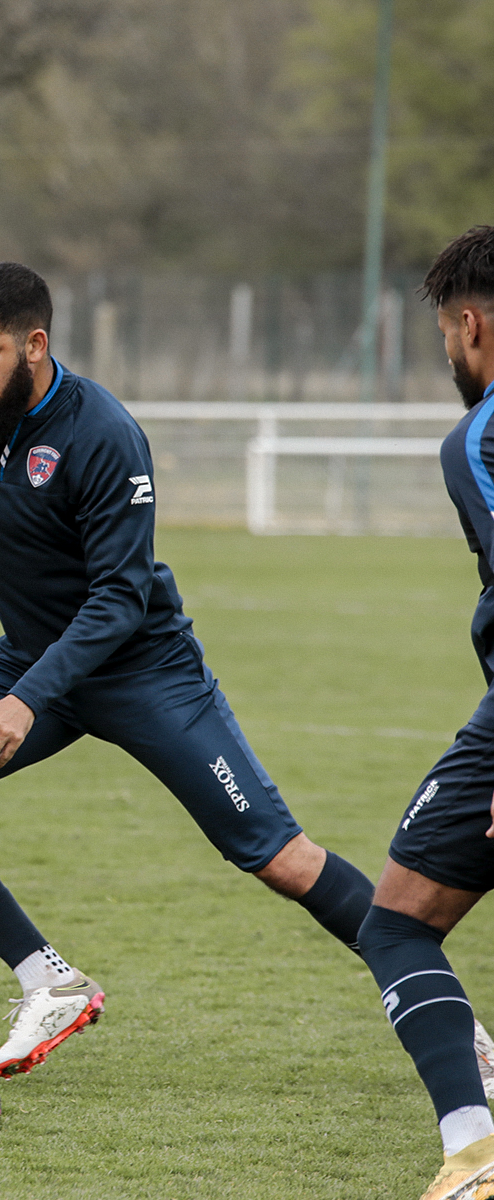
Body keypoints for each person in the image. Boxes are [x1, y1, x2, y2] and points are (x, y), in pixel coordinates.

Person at [0, 261, 379, 1084]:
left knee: (280, 857)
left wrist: (25, 700)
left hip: (140, 668)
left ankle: (454, 1019)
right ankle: (47, 980)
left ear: (36, 343)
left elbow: (121, 597)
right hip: (33, 659)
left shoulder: (103, 433)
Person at [355, 226, 494, 1200]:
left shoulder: (480, 439)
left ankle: (475, 1151)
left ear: (471, 327)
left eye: (446, 333)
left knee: (397, 923)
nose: (448, 353)